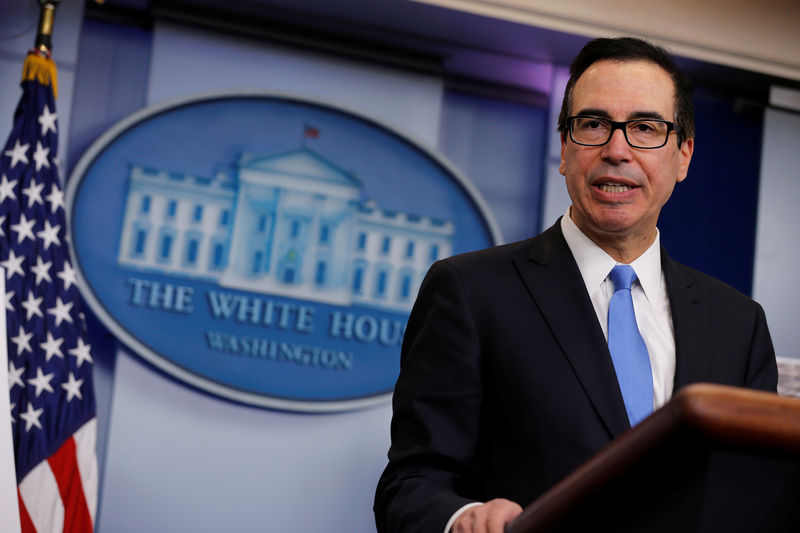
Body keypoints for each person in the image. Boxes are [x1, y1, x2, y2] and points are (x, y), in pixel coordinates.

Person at [373, 37, 777, 533]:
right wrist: (461, 520)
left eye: (646, 128)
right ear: (564, 148)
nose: (616, 150)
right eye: (593, 125)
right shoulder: (470, 291)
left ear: (684, 155)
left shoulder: (740, 324)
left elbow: (758, 498)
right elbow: (411, 483)